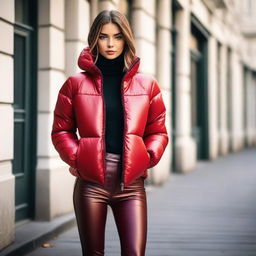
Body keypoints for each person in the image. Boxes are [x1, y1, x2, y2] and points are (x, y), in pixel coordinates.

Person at [51, 9, 169, 256]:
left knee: (135, 253)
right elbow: (61, 130)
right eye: (104, 37)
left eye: (117, 36)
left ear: (126, 39)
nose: (111, 43)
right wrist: (78, 158)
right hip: (91, 184)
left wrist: (146, 157)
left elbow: (158, 130)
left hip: (131, 185)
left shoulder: (147, 85)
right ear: (94, 39)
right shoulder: (75, 84)